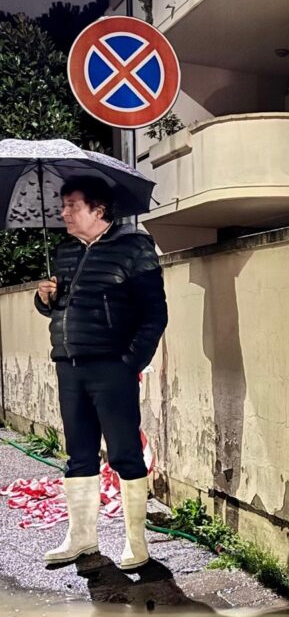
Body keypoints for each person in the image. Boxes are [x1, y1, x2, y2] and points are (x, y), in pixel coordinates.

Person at [34, 176, 167, 571]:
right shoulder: (65, 253)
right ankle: (81, 538)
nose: (63, 213)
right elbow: (60, 306)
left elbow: (154, 314)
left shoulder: (133, 247)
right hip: (69, 364)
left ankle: (136, 543)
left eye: (72, 205)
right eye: (63, 205)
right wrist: (45, 299)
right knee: (78, 454)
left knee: (125, 453)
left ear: (99, 209)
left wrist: (130, 363)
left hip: (113, 367)